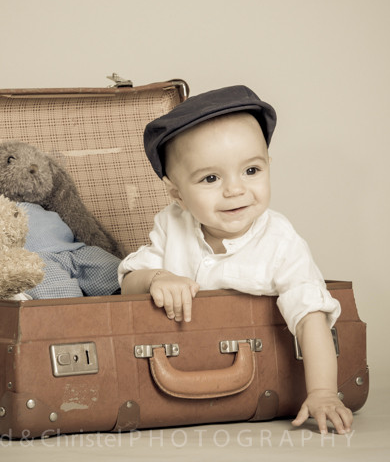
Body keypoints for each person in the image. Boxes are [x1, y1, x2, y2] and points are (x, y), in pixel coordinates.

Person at [118, 85, 353, 435]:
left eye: (252, 171)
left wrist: (322, 393)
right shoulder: (172, 224)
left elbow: (310, 317)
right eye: (211, 178)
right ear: (177, 195)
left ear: (269, 166)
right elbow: (127, 283)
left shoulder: (280, 242)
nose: (235, 190)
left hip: (260, 379)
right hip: (179, 369)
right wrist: (156, 278)